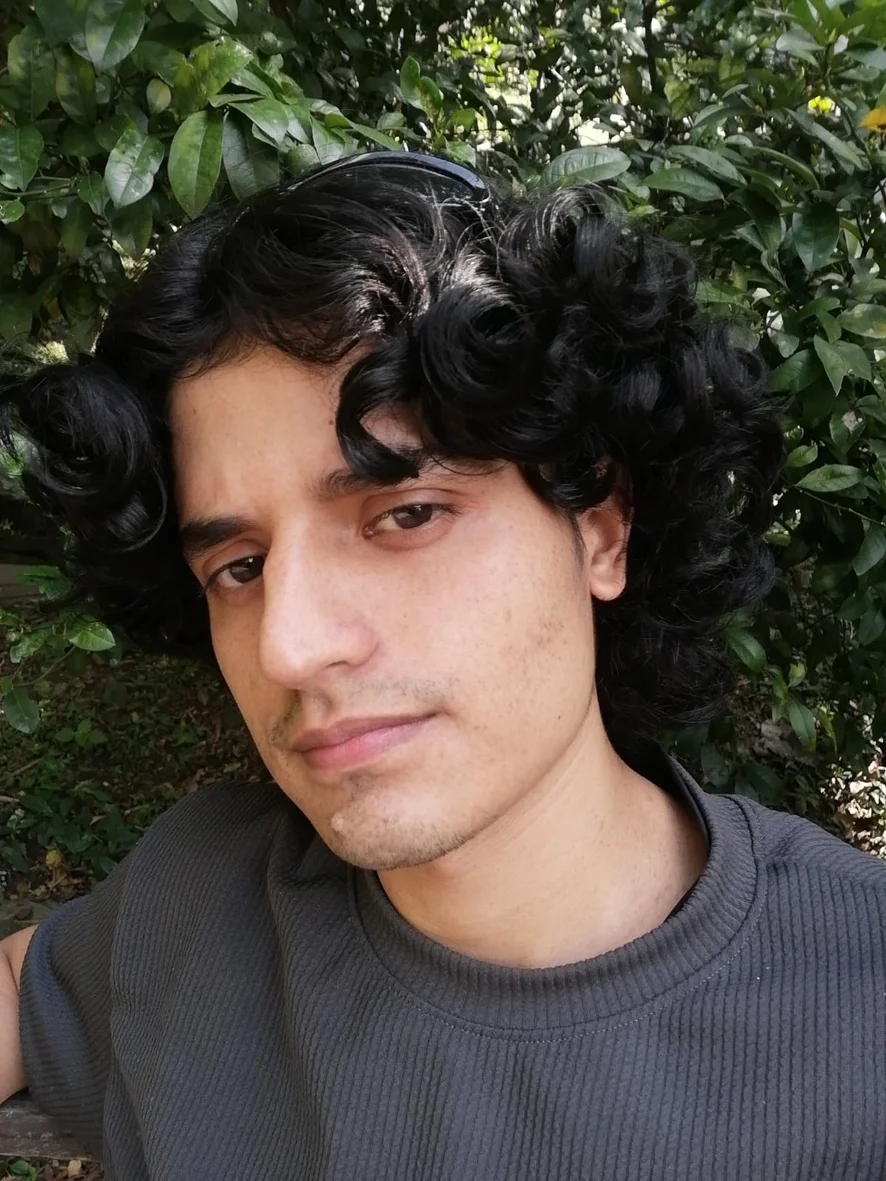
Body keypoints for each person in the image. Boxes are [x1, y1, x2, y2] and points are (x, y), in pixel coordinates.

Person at [0, 151, 883, 1181]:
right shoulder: (197, 895)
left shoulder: (858, 1004)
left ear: (599, 526)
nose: (289, 644)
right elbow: (28, 982)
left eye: (407, 513)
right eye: (238, 566)